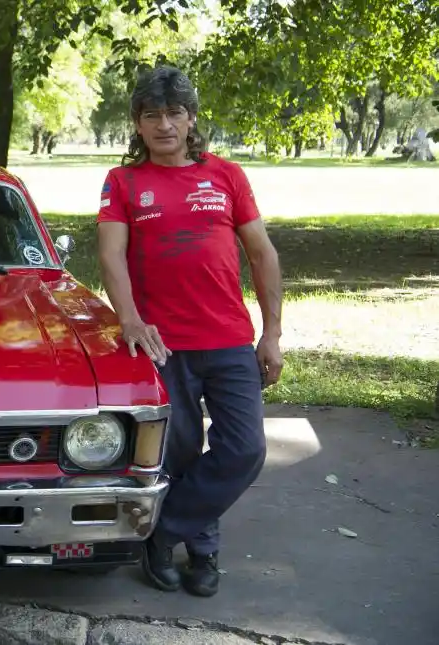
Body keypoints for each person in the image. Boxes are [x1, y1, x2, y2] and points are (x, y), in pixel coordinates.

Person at [97, 65, 284, 598]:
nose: (164, 125)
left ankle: (161, 533)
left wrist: (271, 334)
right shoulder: (123, 182)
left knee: (244, 450)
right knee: (177, 452)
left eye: (174, 113)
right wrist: (130, 319)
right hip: (162, 345)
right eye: (152, 115)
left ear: (191, 118)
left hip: (228, 339)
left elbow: (262, 255)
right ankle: (203, 552)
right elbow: (111, 256)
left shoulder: (227, 175)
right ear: (137, 123)